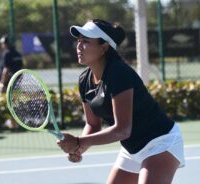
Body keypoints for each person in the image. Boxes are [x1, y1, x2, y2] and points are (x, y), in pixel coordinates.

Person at [57, 19, 185, 184]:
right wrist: (79, 148)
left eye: (86, 41)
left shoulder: (118, 73)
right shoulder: (84, 80)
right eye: (79, 41)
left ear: (104, 48)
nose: (79, 46)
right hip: (132, 149)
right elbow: (93, 124)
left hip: (160, 142)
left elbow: (123, 130)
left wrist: (79, 141)